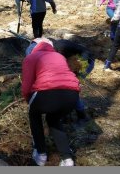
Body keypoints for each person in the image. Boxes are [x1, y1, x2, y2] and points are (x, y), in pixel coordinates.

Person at [22, 37, 80, 167]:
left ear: (33, 48)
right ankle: (67, 159)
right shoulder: (59, 56)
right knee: (54, 120)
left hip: (47, 94)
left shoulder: (31, 57)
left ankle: (40, 154)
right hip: (72, 95)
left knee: (34, 114)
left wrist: (29, 101)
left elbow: (26, 86)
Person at [26, 38, 94, 124]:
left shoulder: (61, 48)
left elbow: (85, 55)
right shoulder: (52, 52)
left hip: (86, 62)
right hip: (73, 62)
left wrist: (78, 71)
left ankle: (82, 116)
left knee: (72, 87)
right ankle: (66, 115)